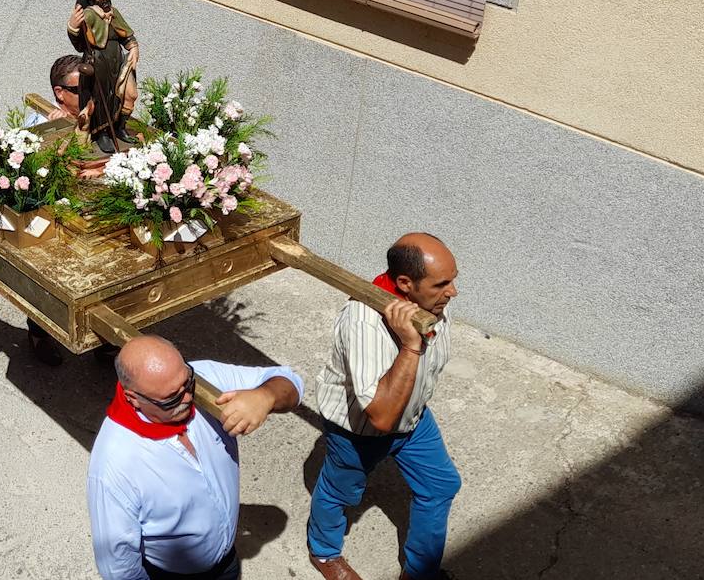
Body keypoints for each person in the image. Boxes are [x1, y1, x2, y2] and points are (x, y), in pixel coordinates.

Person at [307, 234, 461, 580]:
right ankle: (324, 551)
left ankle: (419, 572)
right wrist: (411, 345)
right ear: (405, 284)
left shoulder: (432, 301)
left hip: (414, 418)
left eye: (453, 280)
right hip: (358, 430)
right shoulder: (363, 320)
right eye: (442, 284)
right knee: (340, 493)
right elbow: (381, 416)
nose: (453, 292)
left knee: (441, 486)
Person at [87, 335, 303, 580]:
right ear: (133, 398)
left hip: (227, 562)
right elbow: (118, 567)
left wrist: (266, 396)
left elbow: (292, 381)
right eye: (171, 398)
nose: (188, 397)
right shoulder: (114, 464)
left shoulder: (203, 377)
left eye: (187, 382)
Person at [71, 0, 139, 154]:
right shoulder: (89, 15)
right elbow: (80, 45)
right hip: (99, 64)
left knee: (128, 94)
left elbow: (127, 35)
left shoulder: (113, 12)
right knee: (102, 100)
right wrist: (73, 27)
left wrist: (133, 48)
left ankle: (119, 127)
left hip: (118, 62)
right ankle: (103, 133)